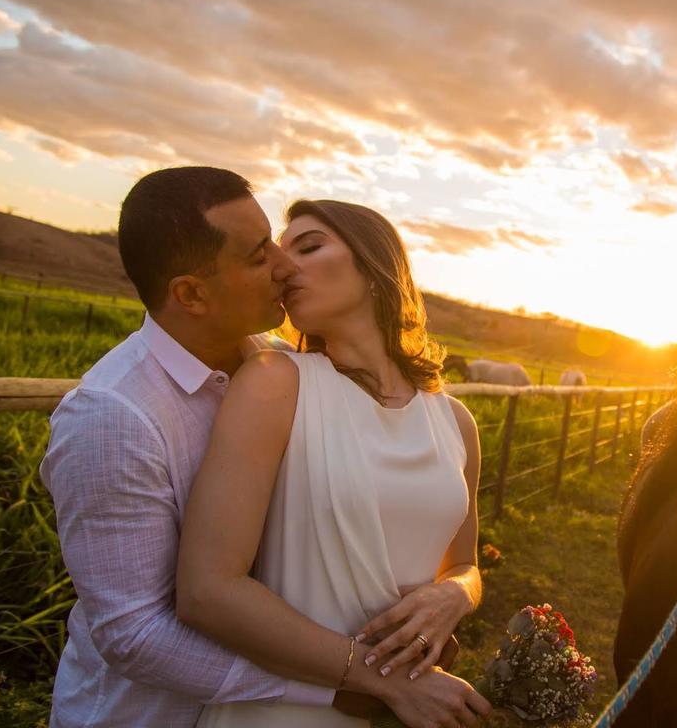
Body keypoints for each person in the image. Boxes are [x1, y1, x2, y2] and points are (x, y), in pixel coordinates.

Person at [40, 168, 481, 728]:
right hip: (143, 716)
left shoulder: (276, 363)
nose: (282, 265)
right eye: (260, 254)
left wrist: (455, 594)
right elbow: (136, 633)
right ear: (191, 294)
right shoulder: (112, 417)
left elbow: (452, 555)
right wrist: (350, 683)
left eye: (293, 244)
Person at [177, 199, 492, 727]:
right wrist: (383, 680)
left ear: (374, 263)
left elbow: (464, 563)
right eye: (279, 253)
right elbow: (206, 591)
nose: (283, 266)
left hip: (407, 709)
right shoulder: (276, 383)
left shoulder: (456, 422)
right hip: (285, 712)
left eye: (309, 246)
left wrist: (455, 595)